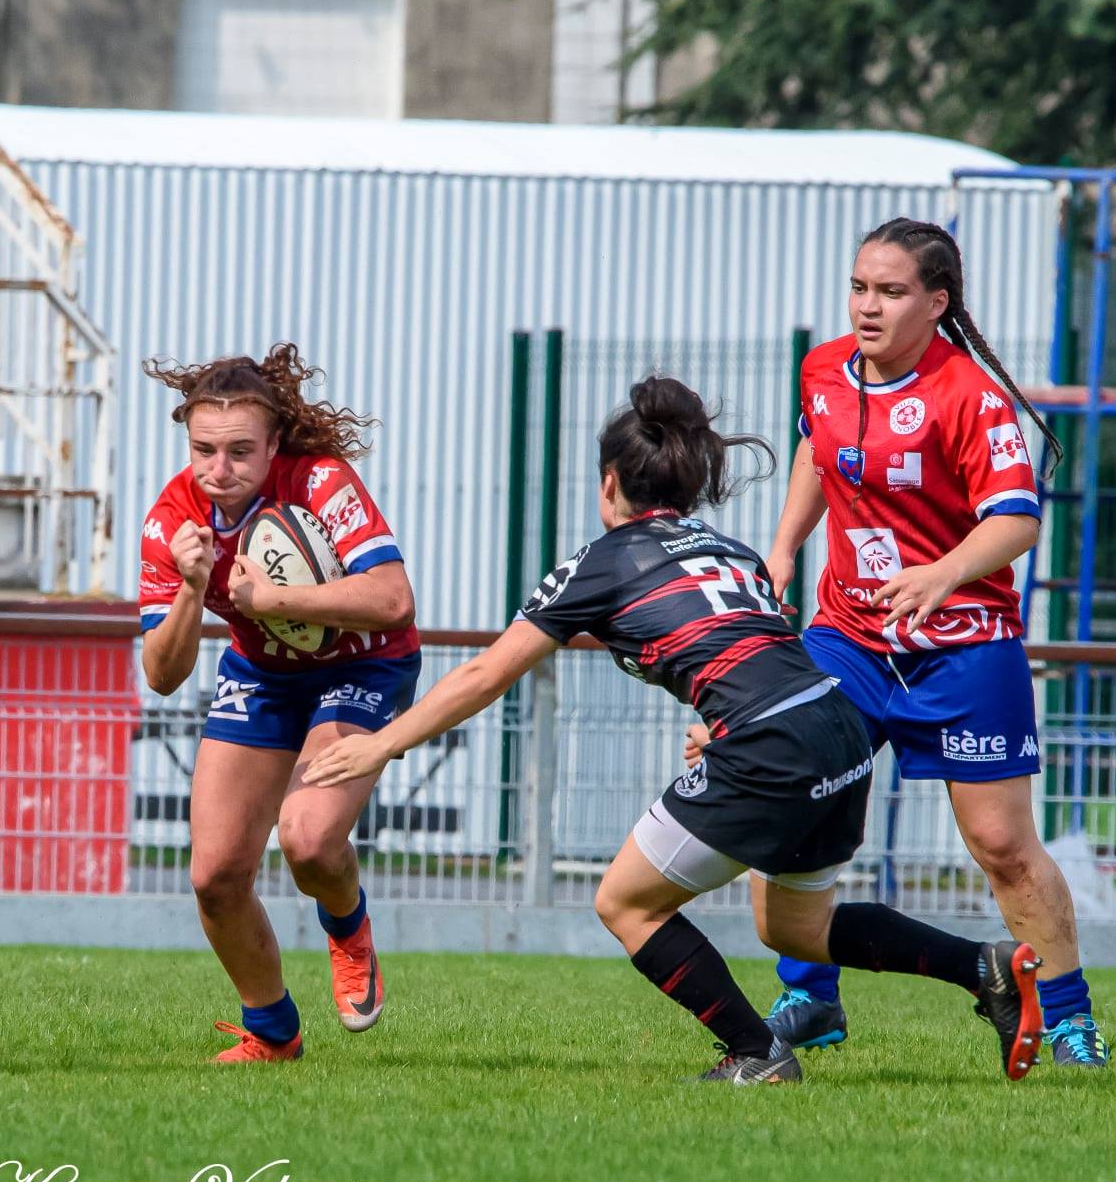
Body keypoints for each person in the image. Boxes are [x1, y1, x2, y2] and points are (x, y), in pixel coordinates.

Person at [307, 377, 1046, 1085]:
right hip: (838, 729)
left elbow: (484, 675)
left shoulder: (599, 565)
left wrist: (380, 743)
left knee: (624, 902)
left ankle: (757, 1051)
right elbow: (743, 651)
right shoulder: (734, 552)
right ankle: (982, 966)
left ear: (608, 485)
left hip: (772, 742)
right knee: (796, 928)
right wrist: (721, 728)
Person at [756, 218, 1105, 1069]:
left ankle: (1067, 1017)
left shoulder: (969, 394)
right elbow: (816, 445)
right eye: (859, 286)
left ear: (936, 302)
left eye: (891, 291)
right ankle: (811, 992)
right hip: (848, 635)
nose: (867, 306)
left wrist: (941, 574)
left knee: (1001, 846)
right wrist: (786, 545)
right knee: (789, 787)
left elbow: (1017, 519)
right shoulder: (825, 369)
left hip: (964, 646)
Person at [137, 343, 418, 1063]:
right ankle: (272, 1030)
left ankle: (346, 923)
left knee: (310, 837)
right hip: (262, 675)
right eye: (204, 449)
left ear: (273, 443)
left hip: (364, 665)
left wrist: (270, 598)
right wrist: (195, 591)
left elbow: (392, 599)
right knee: (215, 874)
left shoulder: (319, 479)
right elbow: (162, 675)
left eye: (238, 451)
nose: (218, 469)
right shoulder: (172, 518)